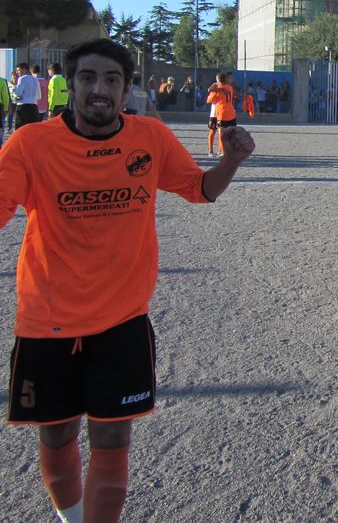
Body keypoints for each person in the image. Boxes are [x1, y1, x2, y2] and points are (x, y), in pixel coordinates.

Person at [1, 38, 255, 523]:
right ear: (69, 85)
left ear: (125, 90)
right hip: (46, 321)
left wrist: (230, 162)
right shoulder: (31, 144)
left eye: (111, 80)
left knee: (113, 437)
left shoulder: (149, 137)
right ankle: (71, 517)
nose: (99, 89)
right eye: (88, 77)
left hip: (123, 320)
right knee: (56, 434)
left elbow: (199, 189)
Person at [206, 72, 236, 157]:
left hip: (221, 113)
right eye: (229, 78)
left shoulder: (225, 87)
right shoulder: (216, 87)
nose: (230, 80)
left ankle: (221, 150)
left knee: (221, 132)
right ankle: (211, 150)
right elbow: (209, 99)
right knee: (213, 131)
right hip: (215, 113)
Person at [13, 62, 42, 129]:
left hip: (22, 107)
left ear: (24, 69)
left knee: (20, 129)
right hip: (34, 107)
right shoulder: (35, 80)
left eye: (18, 70)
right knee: (32, 129)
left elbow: (18, 93)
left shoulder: (22, 78)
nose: (17, 72)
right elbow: (39, 96)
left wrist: (14, 90)